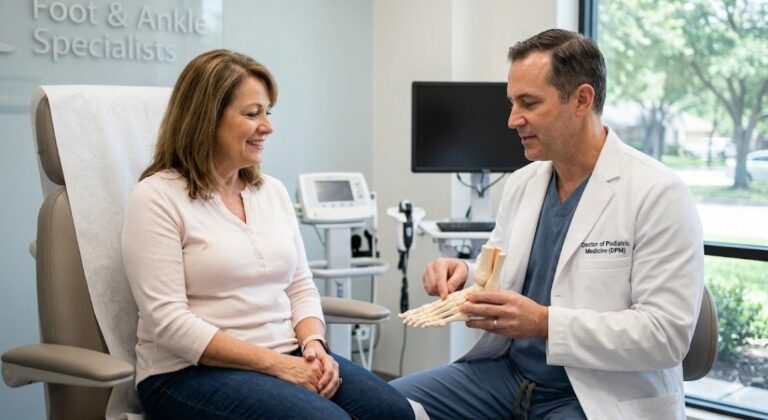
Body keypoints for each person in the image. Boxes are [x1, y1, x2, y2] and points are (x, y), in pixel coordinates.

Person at [391, 29, 704, 420]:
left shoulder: (658, 193)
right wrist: (465, 274)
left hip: (594, 391)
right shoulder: (523, 183)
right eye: (512, 103)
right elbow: (505, 275)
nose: (512, 120)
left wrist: (544, 323)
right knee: (379, 405)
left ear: (582, 100)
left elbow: (666, 336)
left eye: (529, 103)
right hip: (506, 375)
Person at [122, 49, 415, 420]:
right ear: (205, 119)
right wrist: (278, 365)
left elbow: (300, 287)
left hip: (286, 351)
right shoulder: (156, 197)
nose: (267, 126)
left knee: (394, 411)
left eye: (268, 112)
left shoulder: (271, 192)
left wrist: (313, 344)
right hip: (186, 372)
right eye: (252, 114)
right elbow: (169, 324)